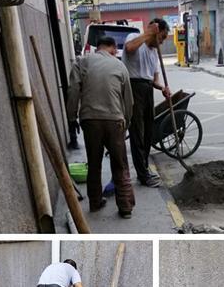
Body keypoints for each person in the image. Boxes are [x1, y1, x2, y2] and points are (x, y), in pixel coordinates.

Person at [67, 36, 135, 219]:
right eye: (115, 50)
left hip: (90, 120)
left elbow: (73, 90)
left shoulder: (83, 62)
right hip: (115, 120)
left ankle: (95, 202)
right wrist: (126, 121)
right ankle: (126, 207)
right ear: (112, 48)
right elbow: (128, 99)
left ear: (98, 48)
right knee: (120, 164)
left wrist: (71, 117)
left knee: (94, 164)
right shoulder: (120, 66)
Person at [122, 18, 171, 188]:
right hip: (133, 88)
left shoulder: (154, 53)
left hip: (147, 90)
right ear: (154, 31)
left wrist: (162, 88)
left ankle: (144, 168)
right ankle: (143, 175)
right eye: (162, 37)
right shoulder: (134, 38)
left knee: (148, 132)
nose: (162, 42)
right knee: (137, 133)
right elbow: (129, 49)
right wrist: (148, 32)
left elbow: (153, 79)